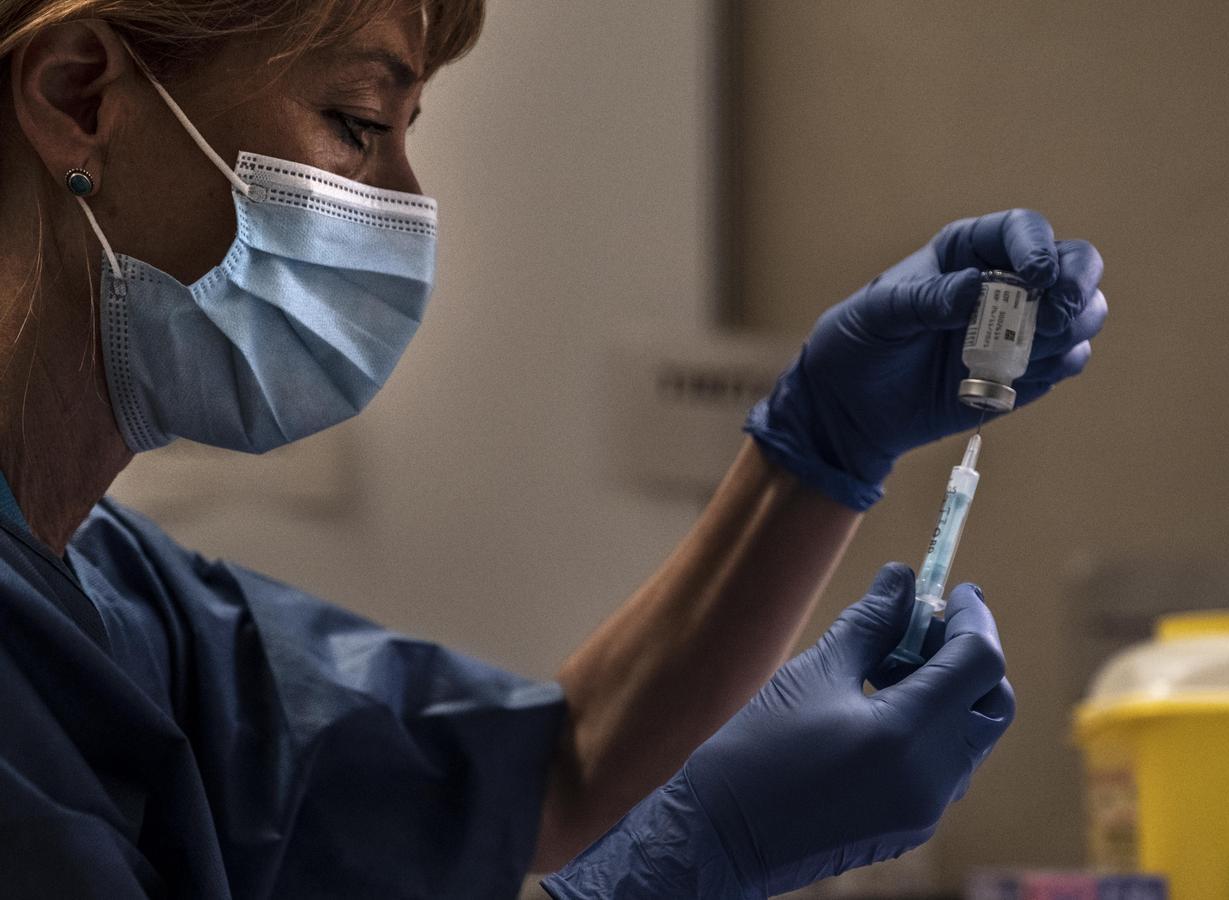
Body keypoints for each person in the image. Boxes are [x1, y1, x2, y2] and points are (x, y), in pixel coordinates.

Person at [0, 1, 1107, 897]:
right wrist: (677, 869)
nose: (406, 207)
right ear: (80, 95)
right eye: (359, 122)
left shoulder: (113, 601)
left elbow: (553, 772)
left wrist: (819, 445)